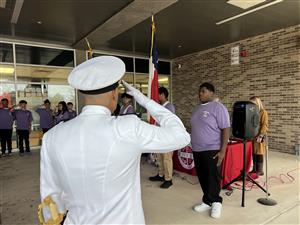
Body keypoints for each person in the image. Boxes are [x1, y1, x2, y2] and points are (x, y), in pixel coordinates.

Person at [40, 56, 190, 225]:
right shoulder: (128, 128)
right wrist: (144, 100)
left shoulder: (52, 137)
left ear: (82, 92)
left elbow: (50, 196)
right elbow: (181, 136)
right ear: (114, 93)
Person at [190, 82, 230, 219]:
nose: (200, 93)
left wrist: (223, 150)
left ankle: (216, 202)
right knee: (202, 176)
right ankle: (207, 201)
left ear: (212, 93)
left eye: (203, 91)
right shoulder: (196, 109)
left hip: (212, 149)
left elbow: (225, 128)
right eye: (199, 91)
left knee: (213, 177)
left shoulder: (218, 107)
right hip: (197, 149)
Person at [149, 87, 176, 189]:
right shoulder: (160, 106)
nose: (157, 97)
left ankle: (168, 179)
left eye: (158, 94)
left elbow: (169, 122)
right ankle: (161, 175)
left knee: (166, 159)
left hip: (167, 137)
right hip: (159, 136)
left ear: (163, 95)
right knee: (159, 157)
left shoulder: (170, 107)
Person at [249, 96, 268, 176]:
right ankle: (254, 169)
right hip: (253, 135)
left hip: (260, 135)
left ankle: (260, 170)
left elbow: (264, 125)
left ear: (257, 103)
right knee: (254, 152)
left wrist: (261, 135)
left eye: (252, 103)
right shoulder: (253, 112)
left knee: (259, 152)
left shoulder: (263, 112)